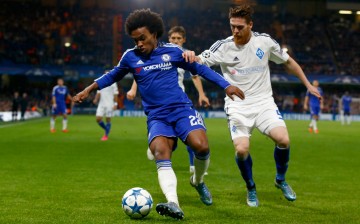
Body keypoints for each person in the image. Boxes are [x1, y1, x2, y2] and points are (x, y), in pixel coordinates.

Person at [73, 9, 244, 220]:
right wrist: (88, 89)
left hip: (181, 109)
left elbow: (201, 69)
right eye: (135, 40)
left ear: (154, 33)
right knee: (161, 153)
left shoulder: (173, 51)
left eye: (142, 38)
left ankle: (197, 181)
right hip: (157, 116)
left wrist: (226, 86)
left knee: (201, 146)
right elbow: (113, 75)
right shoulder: (130, 57)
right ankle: (174, 202)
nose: (139, 44)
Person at [184, 4, 322, 207]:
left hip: (264, 102)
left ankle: (280, 180)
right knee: (241, 150)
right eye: (232, 26)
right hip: (238, 105)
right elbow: (200, 60)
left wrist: (308, 84)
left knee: (283, 140)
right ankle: (251, 188)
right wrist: (191, 55)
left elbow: (288, 62)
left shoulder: (264, 42)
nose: (235, 31)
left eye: (240, 27)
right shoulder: (223, 46)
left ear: (250, 24)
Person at [126, 26, 211, 174]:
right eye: (173, 38)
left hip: (179, 100)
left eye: (179, 38)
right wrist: (133, 89)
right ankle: (156, 141)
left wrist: (202, 94)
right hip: (159, 102)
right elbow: (141, 72)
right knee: (171, 139)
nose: (176, 41)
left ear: (184, 40)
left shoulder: (185, 55)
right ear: (169, 39)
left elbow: (195, 75)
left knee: (191, 132)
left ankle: (192, 165)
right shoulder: (160, 53)